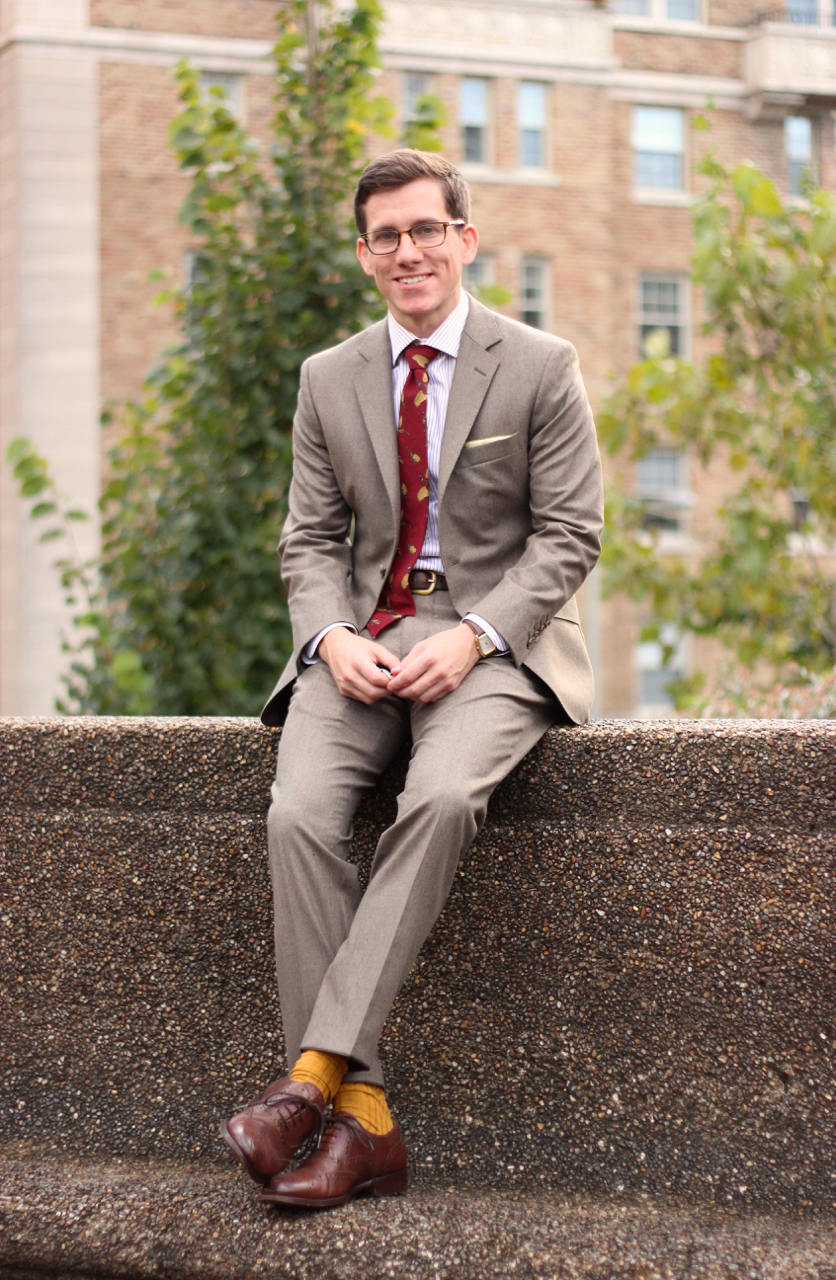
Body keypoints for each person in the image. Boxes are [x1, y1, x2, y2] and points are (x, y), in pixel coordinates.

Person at [220, 149, 603, 1210]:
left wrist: (476, 633)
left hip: (496, 645)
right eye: (385, 236)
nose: (407, 251)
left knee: (437, 796)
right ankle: (369, 1120)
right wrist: (330, 635)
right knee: (296, 813)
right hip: (366, 641)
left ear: (463, 239)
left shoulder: (538, 362)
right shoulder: (324, 378)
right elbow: (306, 541)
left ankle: (311, 1079)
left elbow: (570, 534)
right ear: (364, 255)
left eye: (425, 229)